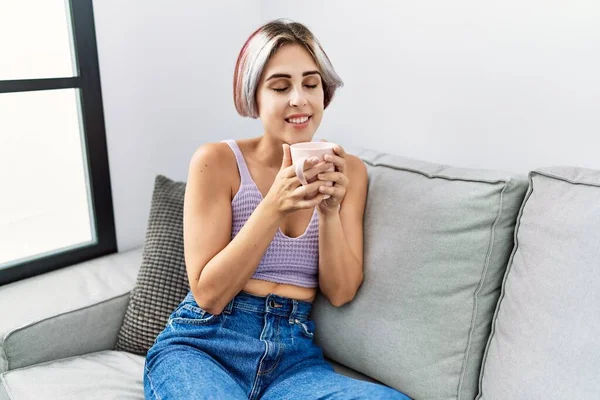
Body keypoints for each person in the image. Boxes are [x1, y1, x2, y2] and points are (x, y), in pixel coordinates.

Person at [143, 18, 412, 400]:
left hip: (292, 360)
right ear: (253, 96)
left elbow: (339, 292)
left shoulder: (348, 171)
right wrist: (272, 206)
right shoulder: (216, 161)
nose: (299, 99)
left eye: (311, 84)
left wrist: (330, 211)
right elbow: (208, 294)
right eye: (281, 87)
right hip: (204, 346)